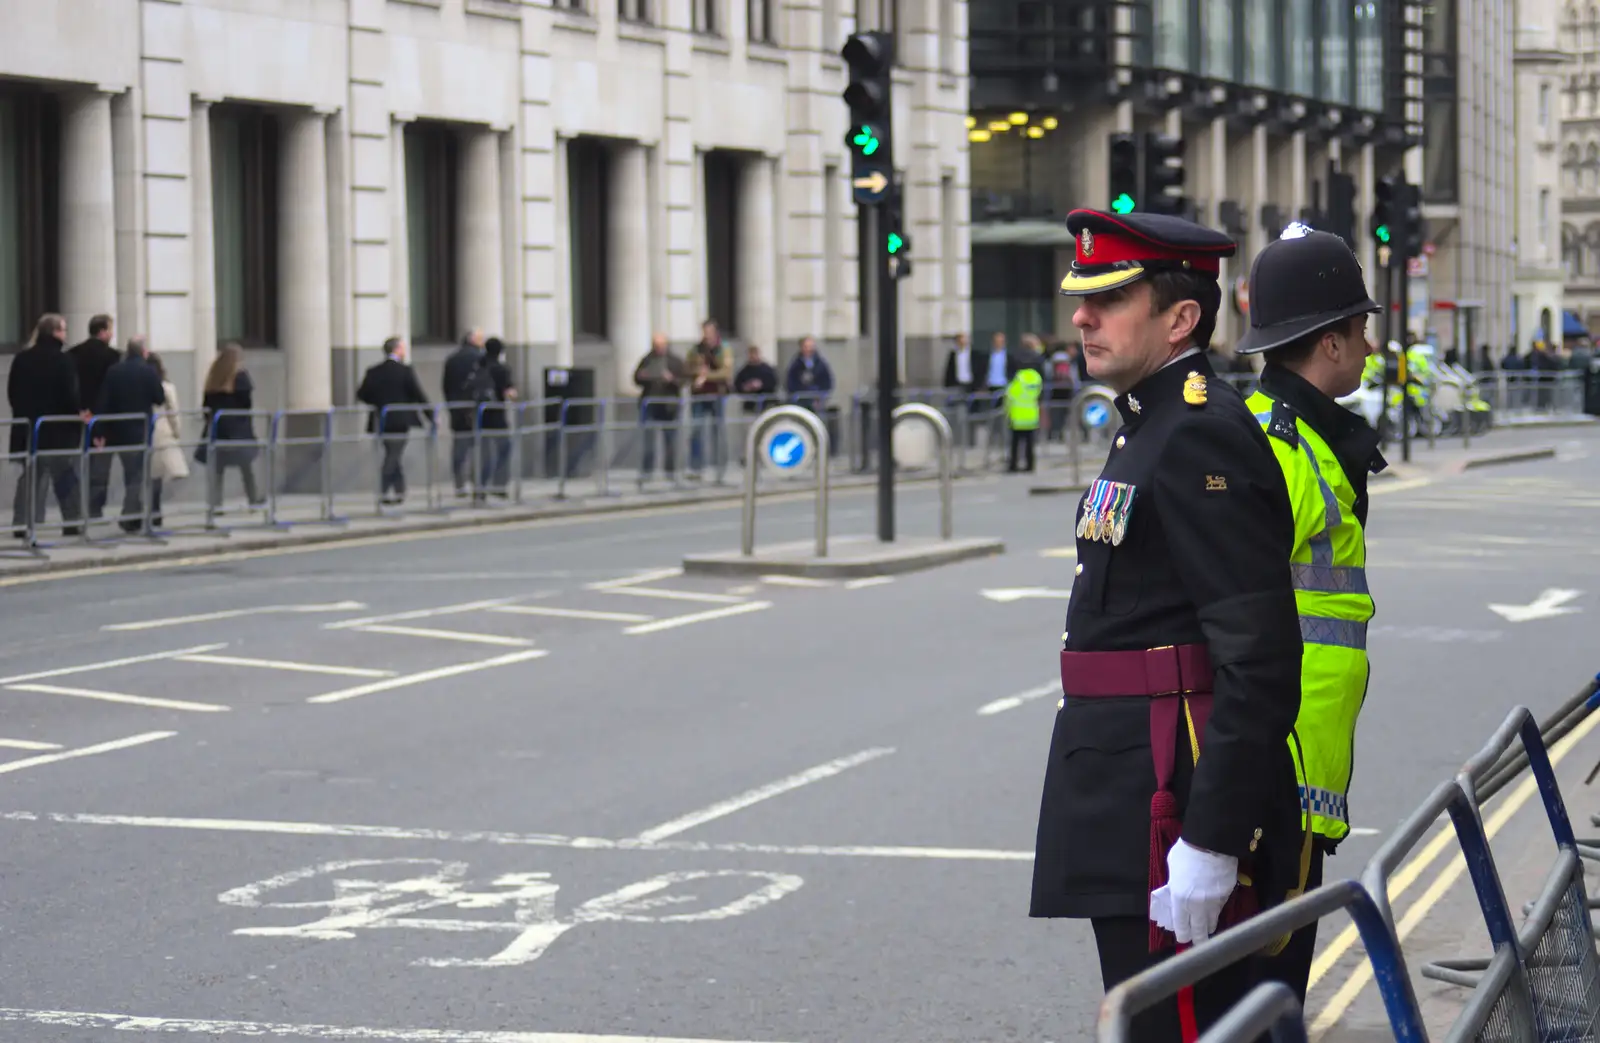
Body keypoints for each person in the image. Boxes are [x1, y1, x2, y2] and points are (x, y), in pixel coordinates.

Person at [1030, 208, 1306, 1042]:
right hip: (1129, 786)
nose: (1082, 316)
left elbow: (1258, 656)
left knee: (1182, 1029)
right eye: (1083, 297)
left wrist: (1214, 839)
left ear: (1181, 317)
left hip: (1169, 798)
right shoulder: (1152, 425)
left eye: (1110, 299)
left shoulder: (1196, 435)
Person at [1231, 225, 1384, 1004]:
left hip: (1300, 758)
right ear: (1330, 342)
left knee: (1275, 984)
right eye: (1361, 330)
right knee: (1270, 988)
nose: (1368, 346)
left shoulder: (1310, 438)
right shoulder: (1281, 446)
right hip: (1281, 767)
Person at [96, 335, 168, 532]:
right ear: (144, 351)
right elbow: (159, 398)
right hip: (139, 431)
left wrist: (99, 431)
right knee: (135, 476)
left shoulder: (114, 371)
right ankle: (129, 517)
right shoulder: (148, 371)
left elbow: (104, 401)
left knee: (131, 475)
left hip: (116, 430)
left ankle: (134, 518)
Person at [357, 336, 432, 506]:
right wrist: (431, 416)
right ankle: (384, 490)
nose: (404, 351)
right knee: (393, 455)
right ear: (397, 350)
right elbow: (418, 395)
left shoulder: (373, 371)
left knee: (393, 453)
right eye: (403, 348)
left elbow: (361, 394)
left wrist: (378, 402)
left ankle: (400, 490)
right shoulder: (405, 371)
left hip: (381, 420)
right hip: (400, 420)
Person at [1005, 362, 1042, 472]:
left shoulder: (1018, 379)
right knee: (1029, 443)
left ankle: (1013, 465)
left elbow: (1010, 395)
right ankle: (1030, 465)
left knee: (1015, 443)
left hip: (1017, 416)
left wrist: (1007, 412)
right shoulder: (1036, 377)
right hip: (1031, 416)